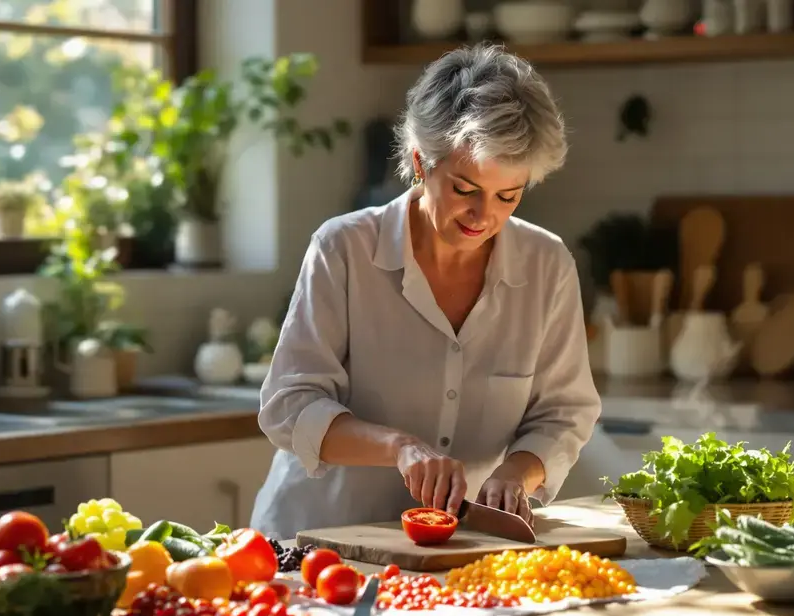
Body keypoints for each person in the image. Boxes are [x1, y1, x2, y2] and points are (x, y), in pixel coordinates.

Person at [250, 44, 601, 539]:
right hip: (320, 543)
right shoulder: (344, 248)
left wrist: (516, 472)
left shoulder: (547, 265)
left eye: (509, 195)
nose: (485, 216)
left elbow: (563, 413)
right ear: (420, 162)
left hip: (457, 545)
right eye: (465, 190)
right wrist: (400, 447)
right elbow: (289, 406)